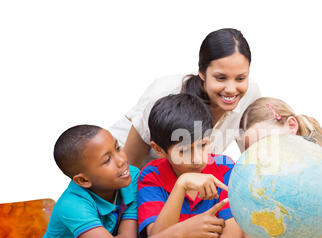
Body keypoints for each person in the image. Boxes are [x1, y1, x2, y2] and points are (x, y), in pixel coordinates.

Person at [16, 125, 226, 238]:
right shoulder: (72, 204)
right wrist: (180, 231)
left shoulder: (132, 178)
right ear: (83, 180)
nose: (121, 160)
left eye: (117, 148)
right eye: (107, 160)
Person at [109, 28, 261, 169]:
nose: (231, 89)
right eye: (221, 78)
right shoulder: (164, 93)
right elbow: (130, 167)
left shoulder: (250, 95)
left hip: (180, 178)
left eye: (240, 78)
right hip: (123, 171)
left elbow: (253, 157)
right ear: (201, 72)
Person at [138, 93, 242, 238]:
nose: (198, 159)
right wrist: (182, 184)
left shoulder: (224, 168)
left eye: (203, 145)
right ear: (159, 149)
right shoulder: (152, 176)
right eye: (184, 151)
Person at [238, 97, 322, 238]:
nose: (264, 154)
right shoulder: (259, 182)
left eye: (268, 142)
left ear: (291, 126)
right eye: (255, 150)